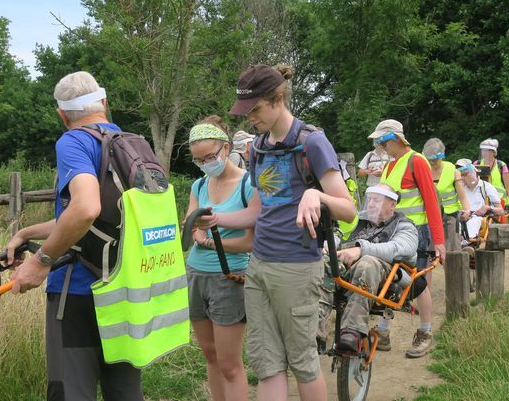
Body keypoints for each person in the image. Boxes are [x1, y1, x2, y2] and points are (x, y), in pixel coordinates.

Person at [215, 64, 356, 401]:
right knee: (267, 363)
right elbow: (258, 211)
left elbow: (348, 208)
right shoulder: (259, 146)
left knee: (303, 361)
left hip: (296, 267)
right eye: (245, 111)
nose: (249, 118)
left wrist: (315, 194)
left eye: (255, 109)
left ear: (277, 100)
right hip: (259, 266)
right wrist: (217, 218)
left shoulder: (313, 142)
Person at [4, 72, 144, 400]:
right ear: (105, 103)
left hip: (78, 290)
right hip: (125, 291)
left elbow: (84, 208)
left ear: (62, 114)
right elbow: (95, 218)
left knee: (71, 390)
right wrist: (25, 233)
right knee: (124, 390)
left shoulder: (74, 140)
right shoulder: (131, 144)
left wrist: (41, 261)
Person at [185, 116, 257, 401]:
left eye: (210, 156)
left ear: (226, 149)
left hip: (229, 279)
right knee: (211, 357)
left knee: (229, 364)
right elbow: (191, 226)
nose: (205, 164)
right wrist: (200, 236)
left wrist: (211, 242)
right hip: (196, 276)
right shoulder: (199, 186)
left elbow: (250, 242)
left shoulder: (248, 184)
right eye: (199, 160)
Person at [316, 184, 432, 354]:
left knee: (368, 262)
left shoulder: (405, 226)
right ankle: (314, 333)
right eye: (369, 200)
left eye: (376, 201)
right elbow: (339, 236)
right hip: (349, 273)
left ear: (392, 205)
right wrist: (327, 245)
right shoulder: (361, 224)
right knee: (322, 262)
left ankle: (352, 331)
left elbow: (399, 248)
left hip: (386, 278)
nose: (370, 204)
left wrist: (360, 249)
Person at [369, 119, 445, 358]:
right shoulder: (391, 166)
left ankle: (425, 332)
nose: (380, 148)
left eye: (381, 143)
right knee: (390, 280)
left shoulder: (416, 161)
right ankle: (383, 332)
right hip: (393, 233)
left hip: (418, 233)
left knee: (417, 283)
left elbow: (431, 201)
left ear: (392, 139)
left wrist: (439, 240)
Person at [422, 138, 471, 252]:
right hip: (430, 215)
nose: (432, 162)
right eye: (429, 159)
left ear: (442, 156)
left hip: (451, 216)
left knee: (453, 251)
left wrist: (467, 209)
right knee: (428, 253)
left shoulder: (452, 170)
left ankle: (456, 269)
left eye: (434, 159)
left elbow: (462, 196)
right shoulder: (424, 169)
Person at [456, 158, 505, 240]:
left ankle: (469, 242)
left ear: (473, 172)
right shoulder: (460, 188)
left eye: (465, 174)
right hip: (462, 216)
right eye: (461, 175)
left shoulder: (486, 187)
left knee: (474, 222)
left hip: (477, 217)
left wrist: (487, 207)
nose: (463, 178)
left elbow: (501, 211)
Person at [476, 138, 509, 212]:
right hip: (482, 202)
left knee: (498, 223)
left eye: (487, 150)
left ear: (493, 152)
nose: (484, 152)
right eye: (483, 150)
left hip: (499, 202)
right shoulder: (477, 164)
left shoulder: (501, 165)